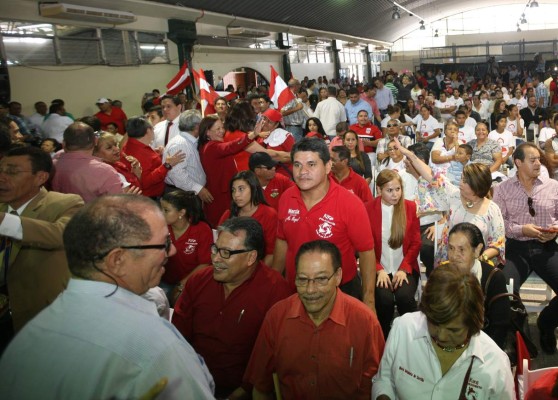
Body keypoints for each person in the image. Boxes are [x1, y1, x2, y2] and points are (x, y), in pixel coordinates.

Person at [0, 195, 215, 399]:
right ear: (117, 260)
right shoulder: (153, 348)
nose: (173, 252)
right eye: (164, 245)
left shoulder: (30, 334)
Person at [246, 240, 385, 399]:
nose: (310, 290)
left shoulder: (364, 322)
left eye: (320, 279)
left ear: (338, 276)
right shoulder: (277, 317)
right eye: (303, 279)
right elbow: (260, 386)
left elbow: (378, 385)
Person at [172, 217, 290, 399]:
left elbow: (273, 356)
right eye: (215, 249)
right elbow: (179, 337)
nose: (216, 259)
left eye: (226, 253)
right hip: (191, 382)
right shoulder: (198, 281)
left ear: (251, 257)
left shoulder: (276, 291)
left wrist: (244, 391)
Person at [372, 265, 515, 400]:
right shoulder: (403, 329)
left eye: (454, 330)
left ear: (474, 323)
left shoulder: (496, 365)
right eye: (434, 323)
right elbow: (384, 379)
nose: (441, 336)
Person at [272, 138, 376, 311]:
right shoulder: (286, 198)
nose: (302, 171)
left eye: (311, 164)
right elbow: (282, 242)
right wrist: (275, 285)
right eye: (297, 165)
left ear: (328, 167)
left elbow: (366, 252)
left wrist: (369, 301)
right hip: (296, 289)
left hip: (340, 292)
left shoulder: (350, 203)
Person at [0, 146, 84, 350]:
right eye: (0, 170)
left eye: (12, 171)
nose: (2, 177)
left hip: (41, 316)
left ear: (41, 177)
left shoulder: (66, 203)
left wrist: (4, 221)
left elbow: (60, 234)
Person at [396, 138, 506, 268]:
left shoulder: (492, 210)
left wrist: (478, 259)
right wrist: (411, 155)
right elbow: (432, 175)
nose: (460, 183)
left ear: (477, 186)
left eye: (464, 181)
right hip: (448, 261)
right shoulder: (454, 196)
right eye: (461, 179)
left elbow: (497, 244)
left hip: (478, 265)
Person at [493, 142, 558, 354]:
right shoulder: (502, 189)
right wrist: (523, 230)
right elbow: (499, 225)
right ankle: (518, 335)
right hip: (516, 247)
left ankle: (546, 324)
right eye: (533, 160)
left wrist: (555, 229)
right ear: (518, 162)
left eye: (539, 158)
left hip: (546, 246)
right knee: (504, 291)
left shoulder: (553, 186)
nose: (539, 163)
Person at [366, 170, 421, 338]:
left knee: (405, 298)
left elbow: (416, 243)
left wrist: (404, 268)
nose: (395, 194)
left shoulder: (410, 207)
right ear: (379, 190)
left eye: (398, 189)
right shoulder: (368, 208)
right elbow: (365, 246)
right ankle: (383, 337)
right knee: (384, 300)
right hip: (378, 268)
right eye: (390, 190)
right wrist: (378, 269)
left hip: (405, 267)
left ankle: (410, 337)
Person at [445, 222, 511, 349]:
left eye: (461, 250)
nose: (453, 256)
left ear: (477, 250)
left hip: (483, 346)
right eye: (451, 248)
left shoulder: (493, 278)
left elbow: (500, 326)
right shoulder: (441, 275)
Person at [198, 115, 272, 227]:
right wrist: (252, 135)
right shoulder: (212, 147)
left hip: (221, 193)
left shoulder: (208, 146)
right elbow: (231, 146)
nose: (222, 131)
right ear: (207, 132)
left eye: (222, 128)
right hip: (221, 197)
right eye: (217, 129)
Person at [159, 189, 212, 305]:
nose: (161, 213)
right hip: (162, 281)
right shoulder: (160, 227)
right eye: (161, 209)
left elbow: (205, 263)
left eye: (166, 210)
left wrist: (182, 285)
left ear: (181, 213)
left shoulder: (202, 230)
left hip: (190, 282)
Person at [51, 122, 124, 202]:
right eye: (109, 147)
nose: (116, 149)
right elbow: (117, 206)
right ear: (95, 141)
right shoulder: (104, 171)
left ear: (63, 144)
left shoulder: (51, 165)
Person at [218, 171, 277, 266]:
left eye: (241, 189)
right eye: (233, 190)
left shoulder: (269, 214)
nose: (236, 195)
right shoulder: (228, 214)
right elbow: (219, 247)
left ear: (253, 188)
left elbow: (271, 253)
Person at [122, 116, 185, 198]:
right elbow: (145, 182)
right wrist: (167, 165)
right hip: (150, 197)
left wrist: (156, 154)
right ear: (148, 131)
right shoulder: (141, 154)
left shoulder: (129, 145)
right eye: (152, 128)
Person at [163, 110, 213, 204]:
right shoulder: (180, 144)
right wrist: (198, 189)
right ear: (197, 127)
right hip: (182, 195)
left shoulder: (188, 141)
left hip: (188, 193)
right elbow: (176, 174)